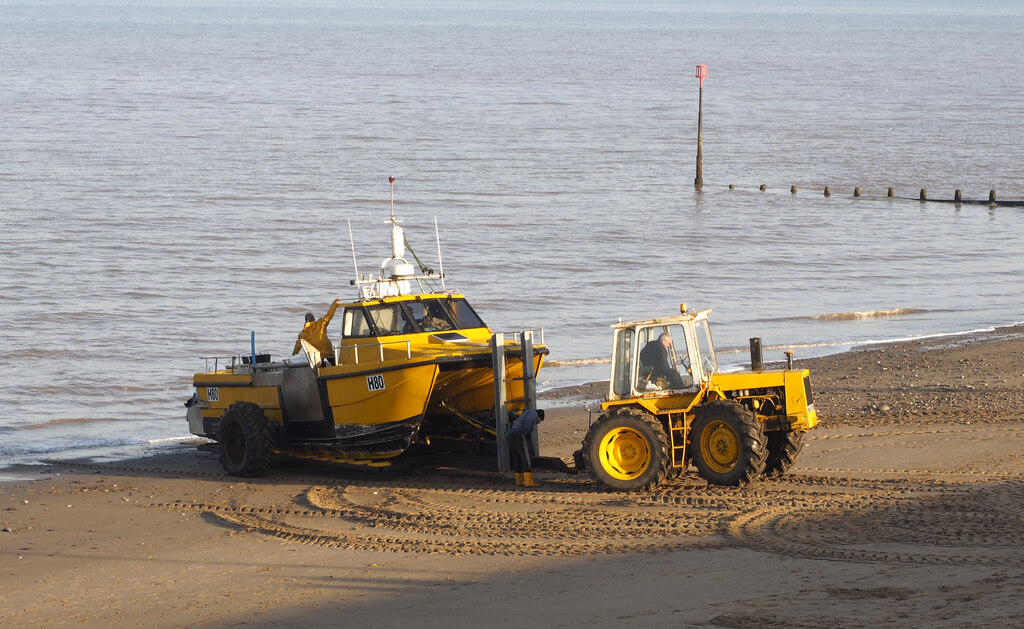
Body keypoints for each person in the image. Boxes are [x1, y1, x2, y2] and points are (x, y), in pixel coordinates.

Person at [293, 298, 342, 363]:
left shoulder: (303, 333)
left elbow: (298, 344)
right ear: (313, 319)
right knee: (333, 360)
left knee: (319, 363)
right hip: (327, 352)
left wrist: (295, 352)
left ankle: (322, 367)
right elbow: (329, 315)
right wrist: (334, 304)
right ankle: (335, 367)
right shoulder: (320, 324)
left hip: (316, 356)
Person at [508, 408, 545, 487]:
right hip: (519, 436)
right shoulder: (533, 414)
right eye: (540, 420)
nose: (538, 423)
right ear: (539, 417)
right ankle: (528, 481)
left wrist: (531, 449)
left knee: (517, 458)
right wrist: (527, 433)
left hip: (511, 436)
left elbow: (529, 439)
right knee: (526, 458)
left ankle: (519, 481)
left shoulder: (525, 414)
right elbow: (527, 424)